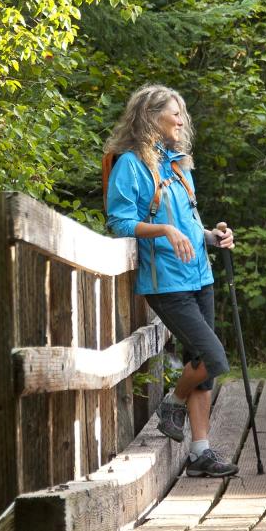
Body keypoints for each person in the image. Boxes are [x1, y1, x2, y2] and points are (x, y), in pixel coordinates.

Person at [105, 84, 239, 478]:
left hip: (200, 275)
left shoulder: (177, 163)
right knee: (213, 357)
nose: (182, 120)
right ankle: (173, 402)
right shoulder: (130, 164)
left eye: (182, 114)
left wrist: (213, 237)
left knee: (203, 365)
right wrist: (163, 229)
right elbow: (119, 221)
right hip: (165, 282)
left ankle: (201, 452)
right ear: (150, 117)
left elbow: (191, 223)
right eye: (175, 113)